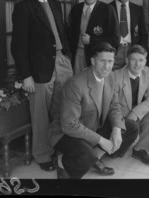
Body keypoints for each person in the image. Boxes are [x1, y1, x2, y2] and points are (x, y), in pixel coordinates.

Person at [11, 0, 73, 172]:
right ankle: (42, 155)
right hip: (39, 69)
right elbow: (18, 46)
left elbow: (61, 32)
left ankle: (57, 147)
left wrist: (67, 56)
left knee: (61, 108)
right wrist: (26, 76)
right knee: (40, 114)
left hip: (62, 62)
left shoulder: (55, 4)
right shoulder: (24, 8)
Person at [50, 42, 139, 179]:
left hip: (92, 126)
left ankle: (95, 157)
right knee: (86, 155)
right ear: (92, 61)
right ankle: (63, 161)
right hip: (66, 133)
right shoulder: (76, 84)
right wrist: (101, 140)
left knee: (131, 127)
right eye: (102, 61)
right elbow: (69, 125)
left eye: (110, 61)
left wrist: (116, 129)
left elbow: (114, 106)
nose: (107, 66)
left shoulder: (110, 77)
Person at [113, 45, 149, 165]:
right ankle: (132, 138)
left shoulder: (146, 71)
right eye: (133, 59)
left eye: (141, 60)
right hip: (121, 118)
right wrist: (128, 119)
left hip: (135, 115)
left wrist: (135, 113)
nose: (137, 64)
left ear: (145, 61)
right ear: (126, 60)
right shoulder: (116, 76)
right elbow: (113, 105)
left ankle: (139, 149)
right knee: (114, 154)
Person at [68, 0, 120, 74]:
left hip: (97, 57)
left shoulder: (107, 10)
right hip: (77, 56)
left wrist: (91, 40)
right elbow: (69, 34)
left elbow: (115, 39)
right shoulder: (76, 9)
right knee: (79, 84)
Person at [109, 0, 148, 70]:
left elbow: (143, 33)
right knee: (112, 79)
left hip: (132, 49)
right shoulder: (107, 9)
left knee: (131, 79)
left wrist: (140, 51)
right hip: (115, 51)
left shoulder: (138, 9)